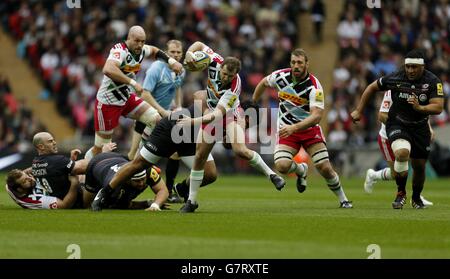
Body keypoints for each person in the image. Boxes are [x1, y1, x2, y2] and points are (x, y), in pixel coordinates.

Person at [175, 41, 285, 213]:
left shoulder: (234, 88)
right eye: (224, 73)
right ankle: (191, 201)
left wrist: (192, 122)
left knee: (240, 150)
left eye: (230, 76)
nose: (225, 78)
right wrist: (189, 53)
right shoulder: (215, 60)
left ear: (235, 75)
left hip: (227, 116)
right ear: (221, 66)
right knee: (200, 156)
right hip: (211, 112)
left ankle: (272, 175)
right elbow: (198, 44)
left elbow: (218, 115)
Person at [252, 48, 353, 208]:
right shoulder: (280, 76)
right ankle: (301, 170)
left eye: (299, 62)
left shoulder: (314, 86)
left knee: (324, 167)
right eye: (293, 62)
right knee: (282, 166)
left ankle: (343, 199)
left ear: (307, 63)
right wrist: (254, 102)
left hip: (309, 130)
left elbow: (317, 116)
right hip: (287, 130)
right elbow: (264, 82)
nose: (296, 66)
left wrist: (295, 127)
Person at [351, 49, 444, 209]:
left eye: (414, 67)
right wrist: (359, 110)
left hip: (420, 127)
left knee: (419, 167)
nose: (410, 70)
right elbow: (372, 88)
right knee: (402, 154)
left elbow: (438, 107)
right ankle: (401, 194)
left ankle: (416, 198)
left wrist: (419, 108)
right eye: (408, 66)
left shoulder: (433, 81)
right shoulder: (395, 78)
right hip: (397, 124)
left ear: (422, 67)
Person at [90, 106, 218, 211]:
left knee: (210, 174)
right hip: (172, 127)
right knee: (139, 164)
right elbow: (199, 96)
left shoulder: (232, 106)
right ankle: (104, 193)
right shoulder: (215, 91)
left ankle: (181, 189)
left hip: (191, 134)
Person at [85, 25, 183, 159]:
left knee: (156, 120)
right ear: (128, 38)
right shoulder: (119, 50)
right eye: (137, 41)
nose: (140, 44)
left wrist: (171, 61)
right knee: (102, 150)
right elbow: (108, 69)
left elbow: (155, 50)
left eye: (143, 41)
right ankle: (82, 172)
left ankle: (139, 159)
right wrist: (132, 83)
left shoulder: (141, 50)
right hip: (108, 103)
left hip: (127, 98)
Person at [128, 40, 186, 203]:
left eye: (178, 52)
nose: (175, 55)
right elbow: (145, 94)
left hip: (164, 119)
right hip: (147, 119)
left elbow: (178, 87)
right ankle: (125, 191)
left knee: (176, 153)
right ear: (166, 54)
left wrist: (179, 106)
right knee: (137, 158)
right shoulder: (156, 69)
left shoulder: (180, 71)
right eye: (172, 52)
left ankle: (167, 191)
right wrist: (163, 112)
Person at [363, 90, 433, 206]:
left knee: (415, 165)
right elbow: (381, 116)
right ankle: (373, 175)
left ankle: (416, 196)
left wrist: (428, 127)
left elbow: (421, 112)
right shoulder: (392, 91)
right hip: (388, 137)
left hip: (411, 134)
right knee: (396, 173)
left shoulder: (418, 88)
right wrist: (402, 125)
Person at [84, 152, 168, 210]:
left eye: (143, 179)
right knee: (86, 204)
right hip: (96, 163)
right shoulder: (116, 183)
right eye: (137, 181)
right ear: (127, 179)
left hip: (119, 158)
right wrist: (146, 203)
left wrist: (155, 205)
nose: (141, 183)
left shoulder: (148, 170)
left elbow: (163, 190)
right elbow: (119, 206)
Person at [6, 169, 79, 209]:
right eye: (25, 181)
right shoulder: (37, 200)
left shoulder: (10, 186)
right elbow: (64, 205)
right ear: (20, 189)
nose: (30, 178)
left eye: (27, 176)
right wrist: (74, 183)